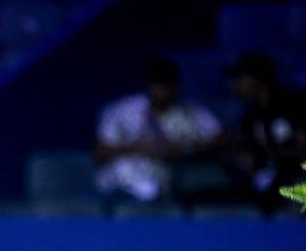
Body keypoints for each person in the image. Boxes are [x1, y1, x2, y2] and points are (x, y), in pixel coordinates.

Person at [93, 56, 223, 204]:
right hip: (122, 175)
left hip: (162, 176)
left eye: (167, 85)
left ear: (175, 87)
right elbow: (100, 152)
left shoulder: (191, 112)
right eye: (157, 84)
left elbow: (221, 139)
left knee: (157, 186)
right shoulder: (123, 109)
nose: (161, 91)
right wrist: (137, 147)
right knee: (124, 170)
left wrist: (185, 148)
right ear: (148, 85)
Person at [225, 51, 306, 213]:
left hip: (300, 180)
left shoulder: (293, 105)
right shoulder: (250, 117)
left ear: (256, 79)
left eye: (240, 78)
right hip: (266, 187)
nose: (236, 85)